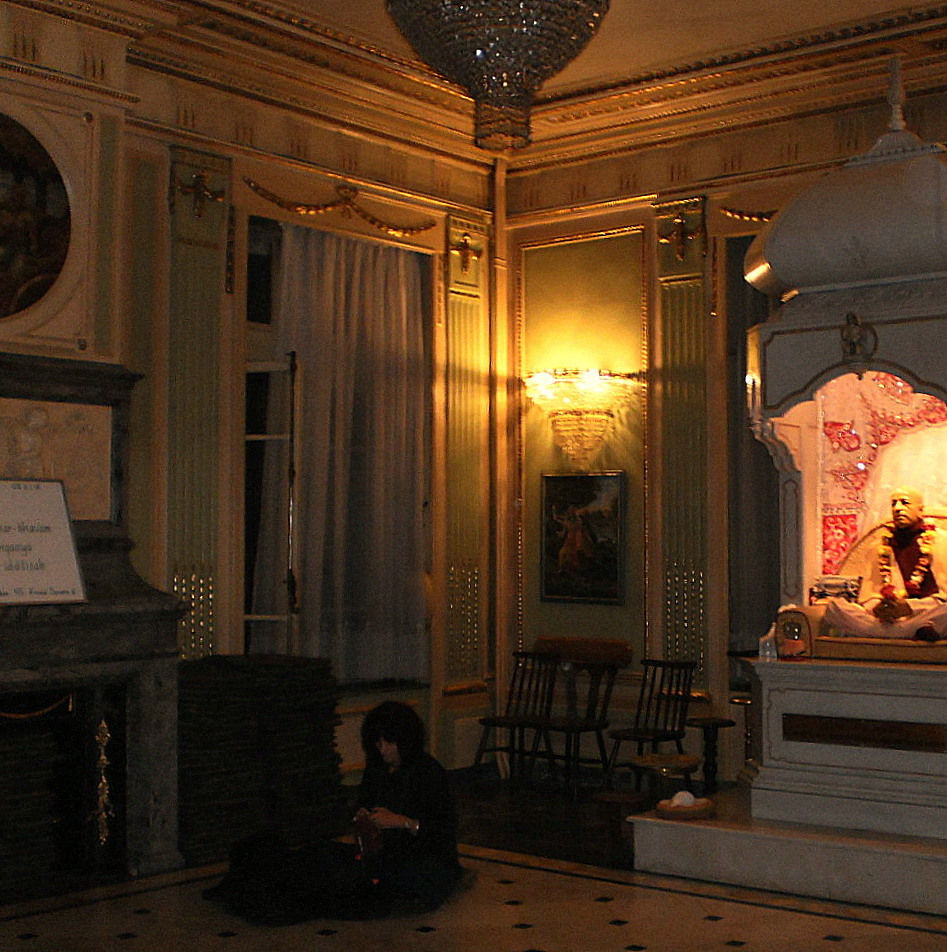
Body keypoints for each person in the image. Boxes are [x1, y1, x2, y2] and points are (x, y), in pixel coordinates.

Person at [823, 487, 947, 641]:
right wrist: (880, 608)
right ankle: (909, 631)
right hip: (889, 620)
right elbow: (869, 597)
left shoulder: (942, 542)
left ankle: (884, 632)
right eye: (894, 504)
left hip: (925, 613)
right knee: (835, 607)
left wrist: (909, 608)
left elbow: (944, 598)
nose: (898, 508)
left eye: (905, 503)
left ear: (920, 510)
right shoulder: (878, 546)